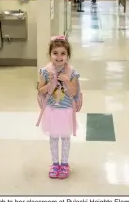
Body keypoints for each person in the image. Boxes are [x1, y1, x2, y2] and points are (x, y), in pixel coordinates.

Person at [36, 35, 82, 179]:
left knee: (66, 138)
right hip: (52, 110)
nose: (59, 57)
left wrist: (67, 80)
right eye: (55, 53)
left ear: (68, 56)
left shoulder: (72, 73)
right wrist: (51, 84)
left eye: (63, 53)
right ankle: (55, 163)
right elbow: (40, 90)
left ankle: (65, 164)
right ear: (50, 55)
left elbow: (74, 92)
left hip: (66, 111)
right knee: (54, 137)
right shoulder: (45, 71)